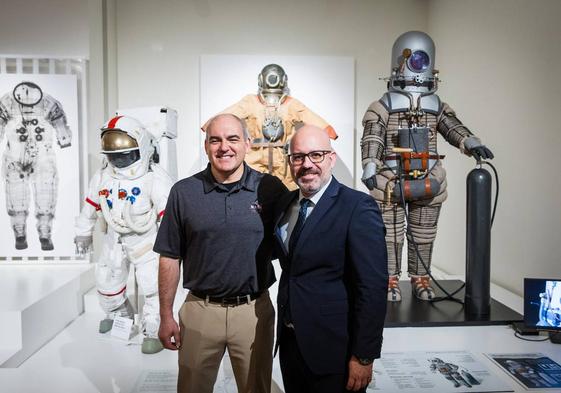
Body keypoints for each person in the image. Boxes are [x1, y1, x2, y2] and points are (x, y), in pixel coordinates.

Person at [154, 113, 288, 393]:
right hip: (200, 310)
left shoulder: (270, 189)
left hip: (253, 312)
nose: (223, 147)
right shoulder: (184, 192)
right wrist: (165, 315)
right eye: (215, 140)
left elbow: (292, 248)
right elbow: (169, 255)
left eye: (232, 139)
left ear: (247, 144)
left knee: (257, 388)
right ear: (206, 146)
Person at [360, 31, 493, 301]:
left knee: (424, 234)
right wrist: (370, 164)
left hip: (429, 179)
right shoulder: (383, 105)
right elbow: (373, 135)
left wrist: (471, 142)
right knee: (390, 236)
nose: (418, 66)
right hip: (390, 180)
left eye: (423, 60)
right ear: (402, 60)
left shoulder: (436, 106)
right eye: (414, 59)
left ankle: (421, 278)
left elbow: (452, 127)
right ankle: (390, 279)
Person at [274, 125, 388, 393]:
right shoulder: (286, 205)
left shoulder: (358, 208)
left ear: (331, 159)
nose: (307, 164)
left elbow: (372, 288)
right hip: (291, 345)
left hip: (335, 351)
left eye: (316, 155)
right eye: (298, 157)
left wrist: (363, 356)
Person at [74, 115, 173, 354]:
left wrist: (173, 249)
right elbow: (89, 208)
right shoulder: (103, 176)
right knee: (107, 283)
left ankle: (152, 329)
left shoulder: (154, 177)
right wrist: (83, 234)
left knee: (152, 287)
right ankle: (122, 318)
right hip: (114, 240)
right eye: (113, 155)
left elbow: (169, 218)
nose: (118, 159)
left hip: (146, 241)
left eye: (124, 154)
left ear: (142, 148)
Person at [202, 63, 337, 189]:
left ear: (261, 80)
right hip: (256, 157)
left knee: (285, 192)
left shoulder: (290, 104)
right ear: (283, 80)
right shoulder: (251, 102)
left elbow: (313, 119)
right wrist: (210, 126)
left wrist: (209, 125)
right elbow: (223, 118)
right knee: (254, 188)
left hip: (281, 161)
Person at [1, 81, 72, 250]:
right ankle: (19, 234)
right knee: (16, 196)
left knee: (46, 194)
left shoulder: (48, 103)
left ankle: (45, 234)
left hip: (42, 157)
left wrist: (64, 138)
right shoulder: (6, 102)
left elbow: (60, 122)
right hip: (15, 156)